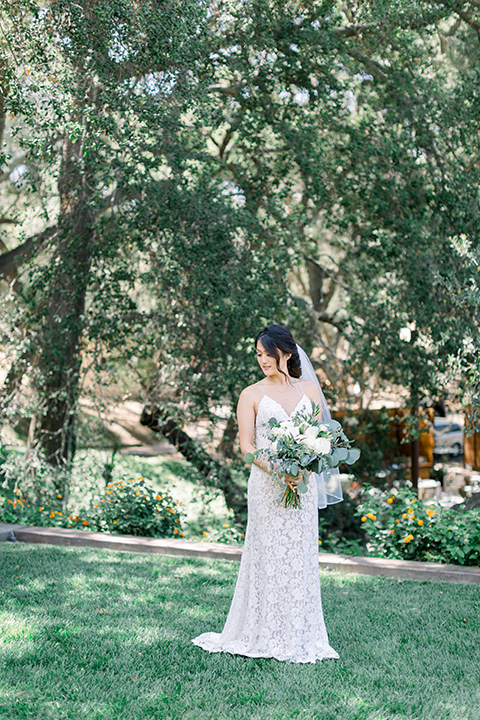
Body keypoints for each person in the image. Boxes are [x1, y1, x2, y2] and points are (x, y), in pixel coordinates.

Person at [192, 324, 342, 663]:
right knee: (269, 556)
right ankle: (263, 631)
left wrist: (303, 469)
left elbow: (319, 438)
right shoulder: (251, 394)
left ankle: (298, 633)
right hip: (266, 487)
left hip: (300, 488)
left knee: (298, 557)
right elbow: (246, 448)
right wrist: (280, 471)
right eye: (258, 354)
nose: (262, 360)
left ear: (286, 354)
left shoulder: (310, 391)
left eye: (267, 354)